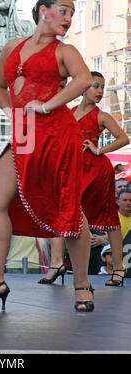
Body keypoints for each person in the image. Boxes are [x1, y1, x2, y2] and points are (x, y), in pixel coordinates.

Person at [0, 0, 96, 313]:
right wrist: (12, 113)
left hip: (57, 136)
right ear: (42, 11)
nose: (68, 18)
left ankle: (82, 283)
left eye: (72, 13)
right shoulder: (12, 47)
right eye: (63, 11)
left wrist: (47, 105)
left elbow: (83, 80)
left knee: (68, 210)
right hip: (24, 135)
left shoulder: (65, 50)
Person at [40, 71, 129, 286]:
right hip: (72, 171)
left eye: (102, 87)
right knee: (62, 214)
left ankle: (118, 267)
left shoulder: (102, 116)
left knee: (108, 219)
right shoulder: (68, 113)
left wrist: (99, 150)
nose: (100, 91)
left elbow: (124, 138)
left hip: (97, 171)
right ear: (83, 88)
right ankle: (56, 262)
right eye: (95, 86)